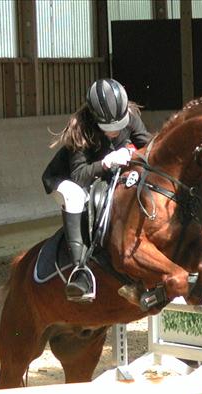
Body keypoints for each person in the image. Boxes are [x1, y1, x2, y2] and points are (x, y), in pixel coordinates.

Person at [42, 78, 152, 302]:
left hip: (101, 175)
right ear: (95, 117)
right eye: (109, 128)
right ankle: (79, 272)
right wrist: (107, 162)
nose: (116, 132)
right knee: (76, 197)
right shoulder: (80, 130)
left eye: (119, 125)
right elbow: (79, 176)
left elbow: (147, 146)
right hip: (65, 179)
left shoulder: (129, 116)